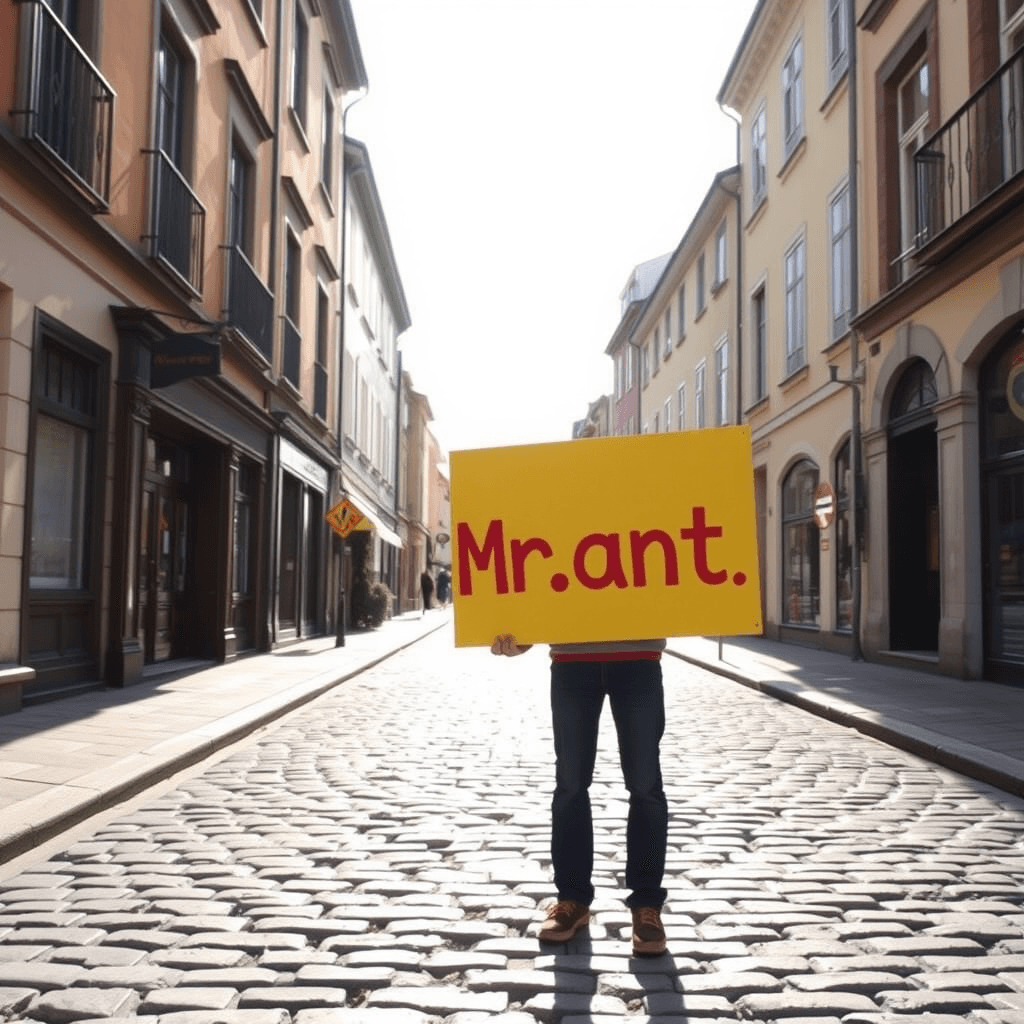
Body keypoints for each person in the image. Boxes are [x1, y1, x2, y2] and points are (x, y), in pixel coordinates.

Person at [491, 632, 668, 957]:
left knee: (645, 786)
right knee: (571, 785)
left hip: (639, 657)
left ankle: (647, 905)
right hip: (572, 660)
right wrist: (521, 634)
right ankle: (572, 899)